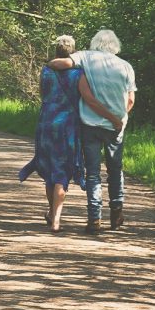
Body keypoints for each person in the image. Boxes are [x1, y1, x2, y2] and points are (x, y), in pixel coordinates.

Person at [19, 35, 119, 232]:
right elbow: (88, 98)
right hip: (68, 127)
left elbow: (43, 94)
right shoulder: (78, 73)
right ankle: (55, 219)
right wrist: (110, 116)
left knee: (50, 171)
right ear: (73, 52)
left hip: (46, 124)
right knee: (61, 171)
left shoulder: (46, 70)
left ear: (56, 51)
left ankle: (51, 213)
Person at [49, 30, 136, 234]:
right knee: (115, 170)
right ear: (115, 44)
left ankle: (94, 220)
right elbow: (130, 99)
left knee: (93, 174)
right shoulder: (126, 66)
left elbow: (60, 64)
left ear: (95, 43)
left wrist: (50, 64)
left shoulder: (86, 56)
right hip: (116, 127)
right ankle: (116, 214)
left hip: (90, 124)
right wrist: (118, 118)